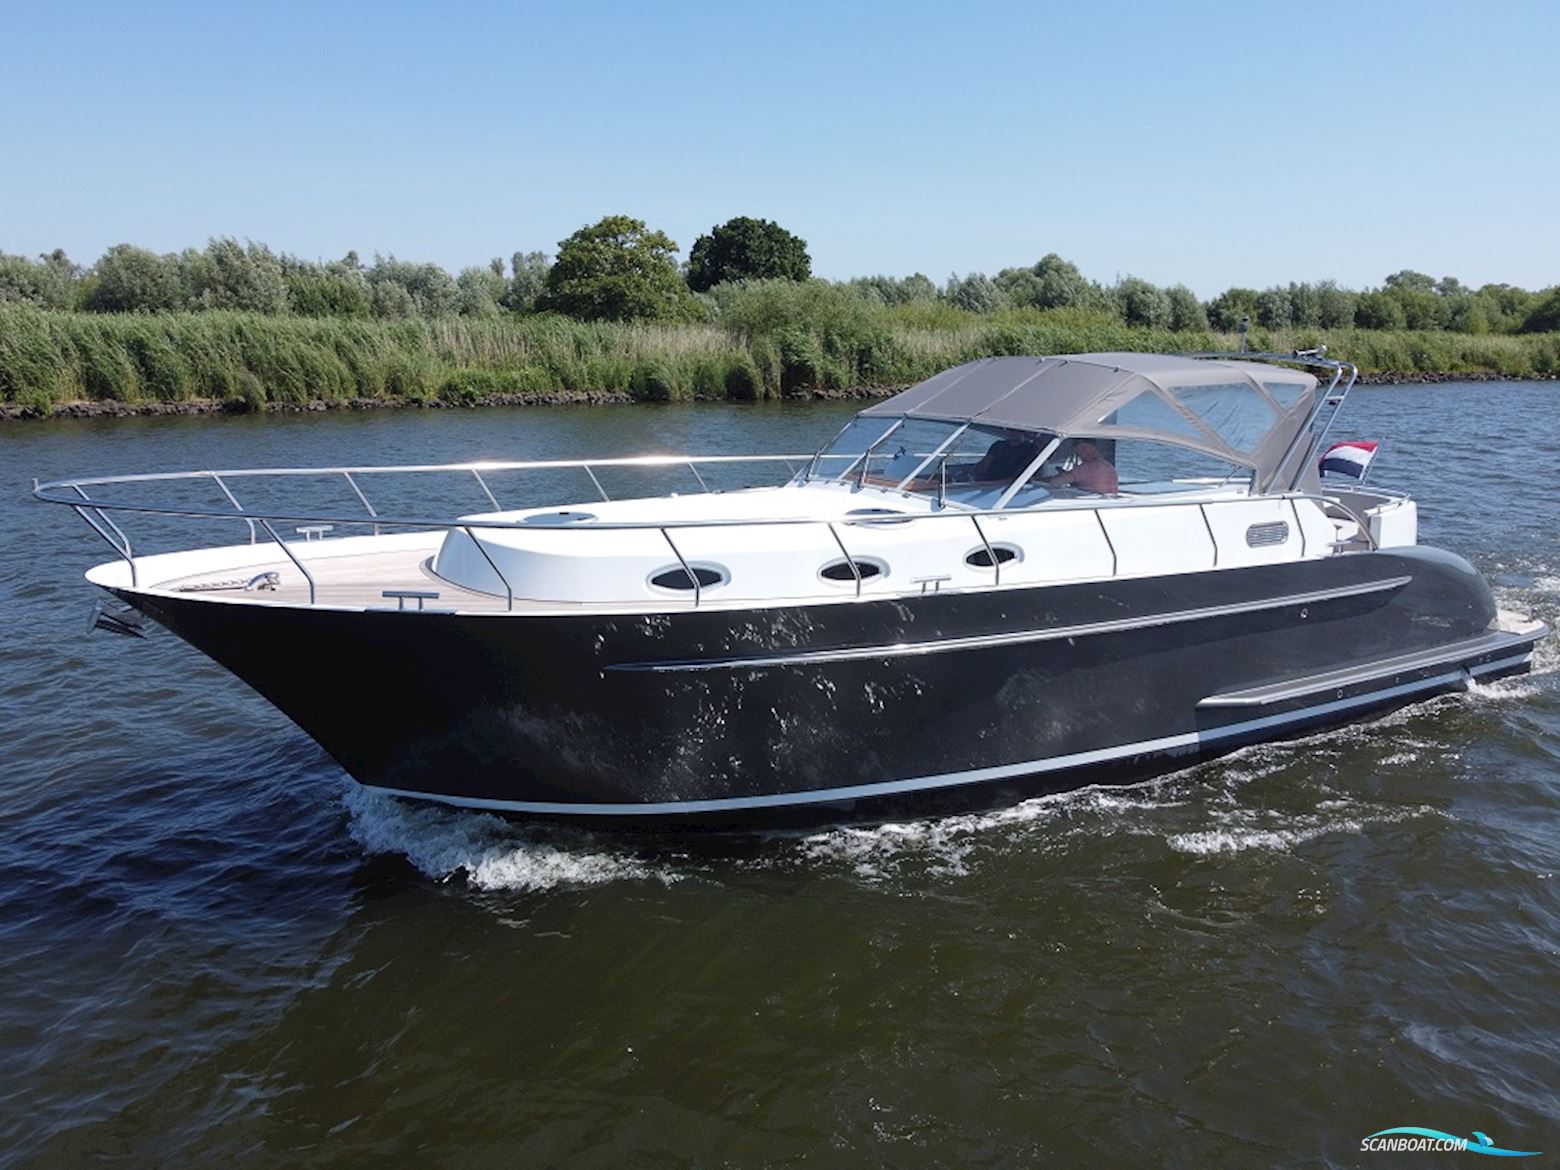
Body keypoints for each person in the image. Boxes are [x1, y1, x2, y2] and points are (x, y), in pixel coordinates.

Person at [1042, 439, 1118, 494]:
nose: (1082, 452)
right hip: (1105, 504)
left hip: (1089, 504)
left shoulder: (1087, 468)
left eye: (1083, 448)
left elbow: (1055, 483)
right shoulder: (1108, 466)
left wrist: (1061, 477)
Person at [967, 429, 1043, 482]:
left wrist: (1033, 437)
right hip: (989, 480)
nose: (1013, 432)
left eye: (1016, 430)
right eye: (1009, 429)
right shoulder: (998, 444)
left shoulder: (1030, 447)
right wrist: (975, 472)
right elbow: (986, 461)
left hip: (1008, 482)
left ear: (1022, 432)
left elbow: (1046, 454)